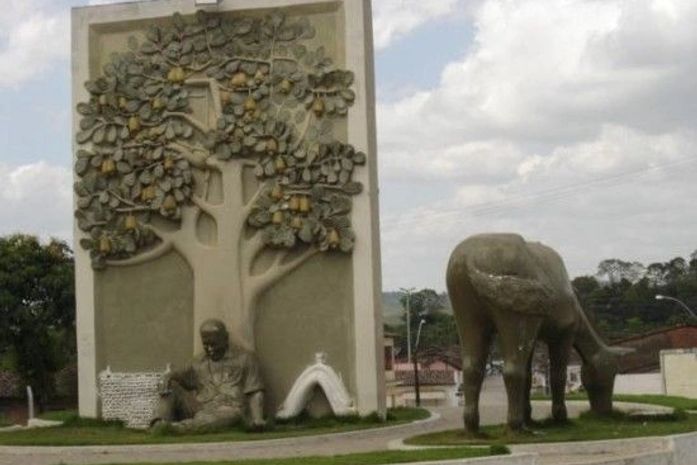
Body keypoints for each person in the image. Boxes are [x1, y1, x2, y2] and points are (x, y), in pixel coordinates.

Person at [151, 319, 265, 432]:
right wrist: (168, 377)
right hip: (200, 408)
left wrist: (257, 418)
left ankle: (175, 429)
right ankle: (158, 424)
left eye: (214, 344)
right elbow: (180, 377)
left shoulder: (246, 359)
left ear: (225, 338)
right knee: (171, 388)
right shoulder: (197, 362)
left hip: (229, 409)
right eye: (206, 345)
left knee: (223, 416)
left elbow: (255, 392)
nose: (210, 349)